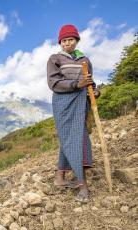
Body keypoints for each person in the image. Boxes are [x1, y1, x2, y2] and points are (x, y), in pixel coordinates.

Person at [47, 24, 100, 202]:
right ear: (60, 43)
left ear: (76, 41)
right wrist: (76, 85)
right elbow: (53, 83)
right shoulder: (55, 59)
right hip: (63, 104)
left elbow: (90, 81)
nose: (67, 43)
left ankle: (59, 178)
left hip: (80, 103)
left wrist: (94, 90)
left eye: (70, 39)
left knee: (74, 138)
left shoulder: (84, 60)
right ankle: (82, 185)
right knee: (73, 139)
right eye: (64, 40)